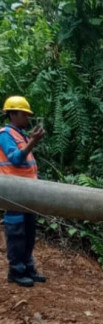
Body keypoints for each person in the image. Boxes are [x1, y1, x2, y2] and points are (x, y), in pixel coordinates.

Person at [0, 96, 46, 287]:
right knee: (17, 232)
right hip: (14, 193)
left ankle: (28, 267)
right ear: (13, 114)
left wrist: (31, 140)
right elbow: (16, 159)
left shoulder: (21, 134)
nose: (27, 118)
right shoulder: (5, 134)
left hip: (27, 193)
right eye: (24, 114)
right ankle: (16, 271)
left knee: (28, 232)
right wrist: (33, 142)